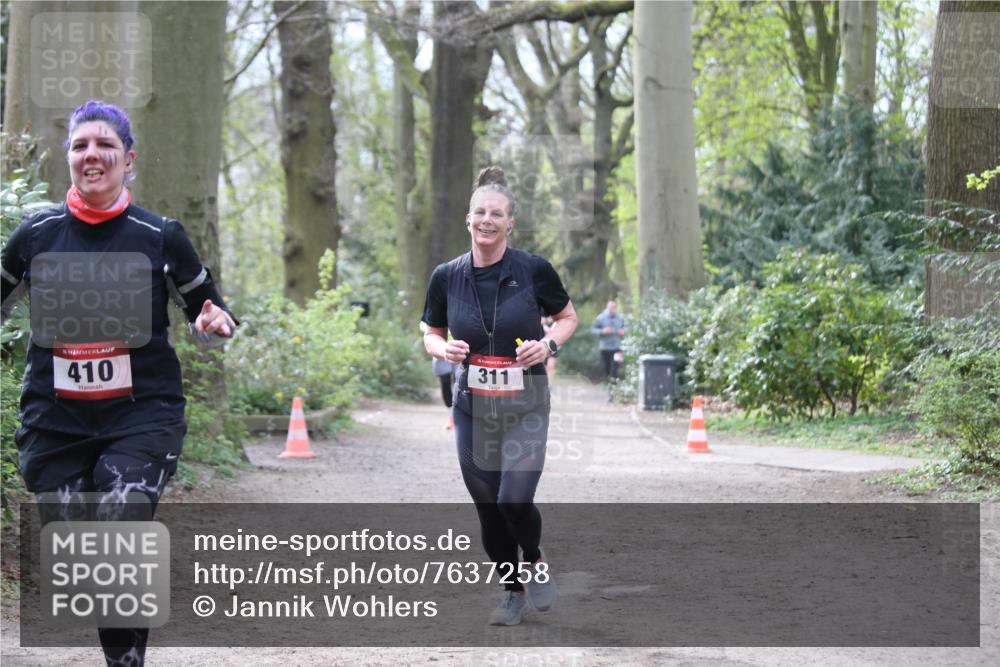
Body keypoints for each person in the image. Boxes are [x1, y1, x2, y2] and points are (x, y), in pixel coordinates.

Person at [0, 100, 236, 666]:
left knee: (117, 530)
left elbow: (212, 316)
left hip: (140, 418)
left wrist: (213, 325)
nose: (92, 155)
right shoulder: (36, 236)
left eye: (104, 146)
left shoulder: (160, 237)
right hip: (54, 423)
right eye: (80, 146)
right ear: (69, 160)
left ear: (128, 159)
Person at [422, 166, 578, 626]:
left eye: (498, 214)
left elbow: (568, 317)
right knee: (488, 506)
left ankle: (534, 557)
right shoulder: (446, 276)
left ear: (510, 223)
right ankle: (512, 593)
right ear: (467, 220)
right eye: (480, 213)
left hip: (526, 402)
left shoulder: (533, 270)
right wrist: (441, 347)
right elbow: (430, 331)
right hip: (472, 406)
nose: (488, 220)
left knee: (514, 499)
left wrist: (548, 344)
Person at [592, 299, 625, 380]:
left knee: (615, 369)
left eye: (614, 307)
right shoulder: (601, 318)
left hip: (618, 347)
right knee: (607, 369)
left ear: (616, 308)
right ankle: (609, 385)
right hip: (605, 348)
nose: (612, 309)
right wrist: (602, 331)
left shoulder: (620, 317)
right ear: (607, 307)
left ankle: (614, 387)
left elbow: (627, 328)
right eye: (610, 307)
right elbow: (593, 329)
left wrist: (623, 331)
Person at [541, 314, 558, 383]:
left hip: (554, 346)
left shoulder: (558, 323)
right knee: (543, 366)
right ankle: (543, 383)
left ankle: (550, 384)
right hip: (542, 345)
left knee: (551, 366)